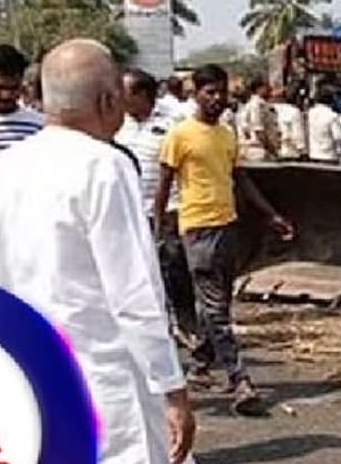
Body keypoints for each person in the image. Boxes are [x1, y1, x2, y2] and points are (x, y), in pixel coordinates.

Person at [0, 39, 202, 464]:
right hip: (105, 379)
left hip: (34, 370)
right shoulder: (104, 166)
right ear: (106, 101)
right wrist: (172, 388)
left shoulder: (1, 170)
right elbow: (134, 291)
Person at [155, 63, 294, 416]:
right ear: (196, 94)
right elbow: (164, 185)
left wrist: (271, 215)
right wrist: (160, 230)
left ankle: (201, 362)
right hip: (196, 229)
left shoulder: (226, 135)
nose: (217, 99)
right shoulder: (180, 135)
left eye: (222, 93)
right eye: (210, 92)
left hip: (227, 225)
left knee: (220, 304)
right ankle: (239, 379)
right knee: (215, 307)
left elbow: (240, 178)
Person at [116, 67, 199, 343]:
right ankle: (153, 330)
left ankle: (188, 328)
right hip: (129, 212)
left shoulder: (175, 122)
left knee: (174, 271)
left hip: (169, 211)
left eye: (125, 92)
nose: (119, 98)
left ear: (141, 94)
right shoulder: (117, 124)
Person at [236, 75, 280, 165]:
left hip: (250, 149)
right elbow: (258, 130)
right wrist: (272, 150)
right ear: (259, 88)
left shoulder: (251, 104)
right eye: (267, 86)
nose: (270, 89)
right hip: (258, 150)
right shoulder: (257, 105)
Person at [307, 88, 341, 164]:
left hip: (313, 154)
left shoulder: (310, 113)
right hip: (329, 156)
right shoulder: (332, 116)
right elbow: (338, 137)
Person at [271, 85, 307, 160]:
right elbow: (298, 135)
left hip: (277, 151)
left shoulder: (274, 108)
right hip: (291, 153)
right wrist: (302, 151)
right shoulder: (294, 112)